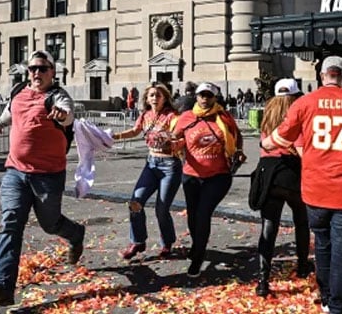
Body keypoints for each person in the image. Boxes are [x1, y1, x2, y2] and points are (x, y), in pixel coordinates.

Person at [260, 56, 342, 314]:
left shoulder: (305, 103)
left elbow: (279, 139)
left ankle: (326, 297)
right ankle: (338, 304)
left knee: (323, 243)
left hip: (315, 188)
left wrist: (266, 144)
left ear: (322, 75)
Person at [0, 50, 86, 307]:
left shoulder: (57, 96)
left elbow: (68, 113)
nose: (36, 73)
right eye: (32, 68)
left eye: (42, 69)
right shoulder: (18, 91)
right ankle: (3, 287)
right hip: (15, 172)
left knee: (50, 224)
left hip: (47, 176)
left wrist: (62, 115)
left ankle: (76, 233)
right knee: (11, 223)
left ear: (52, 72)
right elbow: (9, 112)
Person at [172, 82, 246, 278]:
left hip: (218, 176)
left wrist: (238, 151)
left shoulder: (223, 117)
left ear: (215, 98)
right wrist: (171, 143)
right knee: (193, 216)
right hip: (191, 175)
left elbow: (237, 137)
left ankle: (198, 256)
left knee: (203, 213)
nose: (205, 99)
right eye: (201, 95)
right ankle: (198, 245)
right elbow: (176, 138)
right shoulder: (187, 117)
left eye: (209, 95)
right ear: (196, 97)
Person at [253, 78, 311, 297]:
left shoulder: (267, 115)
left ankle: (263, 280)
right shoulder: (297, 115)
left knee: (269, 226)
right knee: (301, 221)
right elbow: (302, 145)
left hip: (268, 171)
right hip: (292, 171)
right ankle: (303, 265)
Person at [112, 84, 183, 260]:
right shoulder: (145, 115)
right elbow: (135, 131)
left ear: (165, 98)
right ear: (146, 98)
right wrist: (114, 136)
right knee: (135, 202)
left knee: (161, 208)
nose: (154, 98)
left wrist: (175, 143)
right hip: (151, 164)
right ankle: (137, 241)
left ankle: (167, 244)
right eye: (151, 95)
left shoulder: (172, 116)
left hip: (170, 166)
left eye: (158, 95)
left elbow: (181, 136)